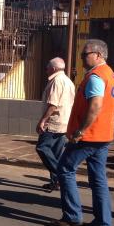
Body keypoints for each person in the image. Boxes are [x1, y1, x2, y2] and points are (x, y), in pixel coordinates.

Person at [51, 39, 114, 226]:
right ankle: (103, 221)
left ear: (98, 55)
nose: (81, 57)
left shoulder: (96, 76)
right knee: (98, 178)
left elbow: (95, 105)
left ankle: (72, 216)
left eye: (85, 54)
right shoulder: (109, 74)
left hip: (88, 136)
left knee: (64, 169)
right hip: (103, 135)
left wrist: (80, 130)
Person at [35, 57, 75, 191]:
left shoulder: (56, 81)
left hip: (54, 123)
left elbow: (53, 104)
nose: (46, 69)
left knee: (42, 147)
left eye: (47, 67)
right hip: (64, 122)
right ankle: (56, 182)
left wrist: (43, 120)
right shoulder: (68, 81)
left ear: (53, 68)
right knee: (56, 153)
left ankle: (60, 174)